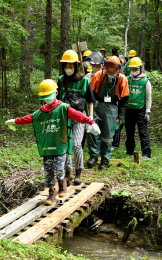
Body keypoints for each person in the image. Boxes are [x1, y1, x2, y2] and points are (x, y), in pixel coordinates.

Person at [5, 79, 100, 206]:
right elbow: (29, 118)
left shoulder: (63, 108)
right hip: (47, 146)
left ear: (56, 93)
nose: (47, 100)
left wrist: (90, 121)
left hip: (60, 144)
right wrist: (15, 121)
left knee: (59, 168)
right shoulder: (41, 111)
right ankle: (51, 192)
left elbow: (78, 115)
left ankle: (62, 183)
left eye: (49, 96)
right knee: (48, 171)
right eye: (45, 98)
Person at [57, 50, 95, 185]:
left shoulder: (84, 80)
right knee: (66, 145)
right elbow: (57, 98)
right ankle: (68, 171)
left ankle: (79, 171)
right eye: (66, 66)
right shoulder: (62, 80)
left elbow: (90, 100)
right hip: (65, 116)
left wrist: (90, 117)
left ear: (76, 66)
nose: (68, 68)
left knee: (77, 144)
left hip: (80, 116)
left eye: (70, 66)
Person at [87, 56, 129, 170]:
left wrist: (121, 115)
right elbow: (90, 95)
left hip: (112, 107)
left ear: (118, 69)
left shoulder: (122, 79)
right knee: (92, 132)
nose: (110, 71)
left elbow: (124, 100)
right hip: (96, 105)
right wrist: (90, 112)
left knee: (107, 136)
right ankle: (93, 156)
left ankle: (105, 161)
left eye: (113, 68)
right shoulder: (98, 76)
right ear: (105, 66)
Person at [125, 57, 152, 159]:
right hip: (129, 109)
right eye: (132, 69)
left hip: (141, 110)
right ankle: (129, 151)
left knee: (143, 132)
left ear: (140, 68)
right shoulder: (127, 80)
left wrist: (148, 111)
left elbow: (148, 97)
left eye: (136, 69)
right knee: (129, 132)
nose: (134, 71)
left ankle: (146, 153)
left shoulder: (146, 81)